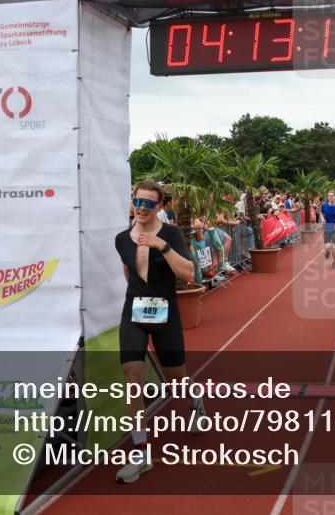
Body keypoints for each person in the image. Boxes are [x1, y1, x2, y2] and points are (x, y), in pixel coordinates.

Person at [114, 181, 204, 484]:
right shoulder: (121, 239)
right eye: (137, 201)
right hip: (134, 311)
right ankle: (141, 452)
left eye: (148, 204)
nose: (141, 207)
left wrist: (161, 246)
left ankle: (194, 401)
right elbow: (131, 273)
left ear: (159, 207)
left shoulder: (171, 234)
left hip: (166, 312)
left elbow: (189, 274)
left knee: (177, 382)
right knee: (132, 376)